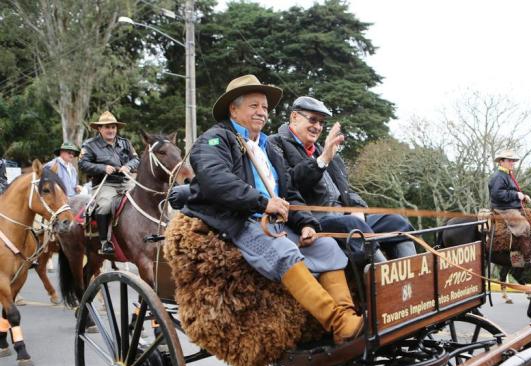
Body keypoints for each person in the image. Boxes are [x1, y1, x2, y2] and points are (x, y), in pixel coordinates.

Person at [181, 75, 362, 344]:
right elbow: (215, 180)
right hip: (239, 222)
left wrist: (305, 223)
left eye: (265, 107)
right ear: (234, 109)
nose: (262, 112)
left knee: (327, 247)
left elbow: (289, 193)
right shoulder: (214, 140)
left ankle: (348, 321)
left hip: (278, 223)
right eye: (254, 106)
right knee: (285, 251)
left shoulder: (267, 146)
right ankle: (337, 322)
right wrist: (263, 203)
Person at [268, 96, 416, 262]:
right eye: (313, 120)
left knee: (395, 221)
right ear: (294, 117)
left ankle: (415, 277)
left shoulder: (324, 150)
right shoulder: (275, 144)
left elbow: (346, 189)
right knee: (353, 225)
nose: (317, 127)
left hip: (345, 217)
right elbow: (289, 185)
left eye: (321, 123)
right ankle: (385, 282)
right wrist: (322, 161)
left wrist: (357, 208)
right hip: (314, 220)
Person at [78, 111, 139, 254]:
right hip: (104, 184)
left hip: (126, 181)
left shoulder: (125, 143)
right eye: (107, 127)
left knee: (143, 200)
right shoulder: (89, 145)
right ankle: (105, 242)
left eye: (113, 127)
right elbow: (82, 164)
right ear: (99, 129)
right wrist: (102, 168)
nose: (111, 130)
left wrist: (128, 166)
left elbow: (136, 159)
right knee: (105, 206)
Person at [488, 149, 531, 268]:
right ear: (501, 162)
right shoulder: (499, 176)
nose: (512, 163)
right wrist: (516, 195)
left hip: (512, 206)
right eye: (509, 160)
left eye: (513, 160)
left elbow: (510, 191)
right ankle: (528, 259)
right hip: (503, 209)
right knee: (524, 226)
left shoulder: (507, 174)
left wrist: (523, 196)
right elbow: (497, 194)